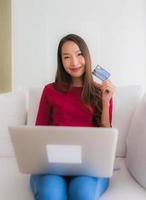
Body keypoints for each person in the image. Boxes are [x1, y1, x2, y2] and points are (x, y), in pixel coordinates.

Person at [30, 33, 115, 200]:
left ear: (86, 56)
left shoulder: (101, 93)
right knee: (50, 195)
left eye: (78, 54)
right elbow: (38, 133)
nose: (74, 62)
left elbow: (106, 137)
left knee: (83, 195)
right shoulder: (50, 91)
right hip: (52, 165)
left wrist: (105, 102)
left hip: (89, 167)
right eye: (67, 57)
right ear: (61, 62)